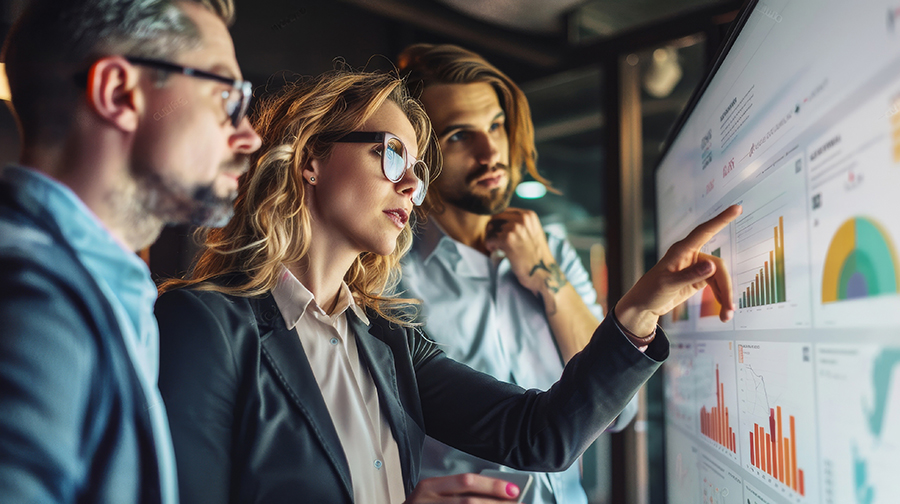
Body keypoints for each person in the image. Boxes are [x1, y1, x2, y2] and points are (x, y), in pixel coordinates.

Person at [154, 67, 740, 503]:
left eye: (417, 166)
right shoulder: (204, 323)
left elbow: (540, 436)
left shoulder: (387, 338)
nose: (413, 183)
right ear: (311, 158)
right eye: (391, 156)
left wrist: (640, 309)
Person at [0, 0, 261, 501]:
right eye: (227, 96)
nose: (249, 136)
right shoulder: (31, 301)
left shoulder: (101, 287)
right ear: (119, 93)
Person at [395, 43, 634, 504]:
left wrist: (547, 278)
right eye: (460, 136)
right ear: (419, 155)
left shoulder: (556, 253)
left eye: (496, 126)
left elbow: (617, 410)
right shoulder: (393, 280)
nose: (490, 152)